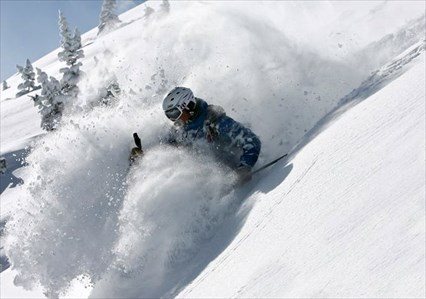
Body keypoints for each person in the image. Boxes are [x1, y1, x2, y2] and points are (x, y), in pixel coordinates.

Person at [131, 87, 261, 183]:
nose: (173, 119)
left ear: (188, 106)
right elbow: (166, 149)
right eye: (169, 115)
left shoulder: (215, 122)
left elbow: (252, 141)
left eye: (175, 114)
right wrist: (144, 156)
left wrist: (244, 167)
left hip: (238, 173)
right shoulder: (180, 129)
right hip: (214, 179)